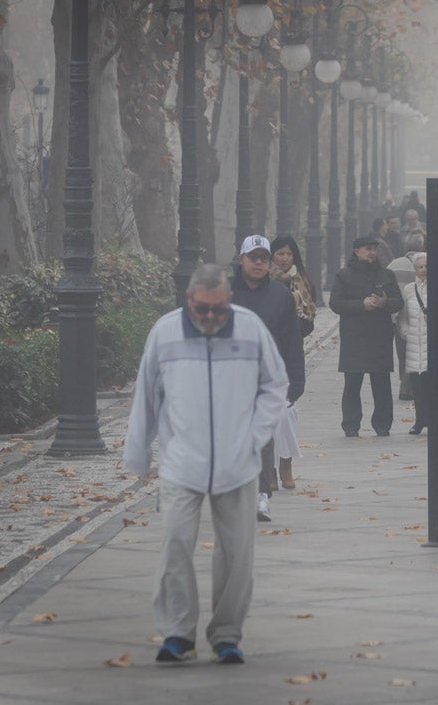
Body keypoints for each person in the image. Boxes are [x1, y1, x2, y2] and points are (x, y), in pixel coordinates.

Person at [124, 263, 288, 665]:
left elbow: (275, 385)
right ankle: (178, 633)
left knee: (237, 554)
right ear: (189, 301)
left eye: (219, 309)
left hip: (238, 464)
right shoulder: (165, 333)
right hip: (182, 462)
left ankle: (227, 634)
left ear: (229, 301)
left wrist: (254, 437)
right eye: (202, 309)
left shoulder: (250, 329)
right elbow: (146, 393)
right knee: (176, 546)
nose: (211, 317)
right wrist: (139, 453)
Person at [231, 235, 304, 522]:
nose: (259, 263)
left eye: (264, 258)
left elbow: (291, 341)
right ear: (242, 260)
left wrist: (295, 383)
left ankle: (261, 495)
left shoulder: (280, 294)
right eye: (254, 257)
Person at [329, 236, 403, 436]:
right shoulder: (344, 275)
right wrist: (361, 304)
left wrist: (383, 303)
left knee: (381, 383)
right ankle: (351, 425)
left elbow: (398, 302)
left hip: (380, 335)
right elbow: (335, 304)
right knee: (352, 383)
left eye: (374, 249)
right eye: (367, 248)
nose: (371, 252)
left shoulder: (386, 274)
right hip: (354, 336)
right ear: (357, 251)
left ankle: (383, 424)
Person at [268, 235, 316, 490]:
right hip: (265, 353)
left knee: (287, 411)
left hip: (290, 351)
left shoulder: (302, 280)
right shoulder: (264, 281)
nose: (285, 258)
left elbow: (310, 316)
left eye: (289, 254)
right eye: (280, 254)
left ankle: (285, 463)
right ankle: (269, 470)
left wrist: (294, 328)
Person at [387, 232, 427, 401]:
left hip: (398, 316)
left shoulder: (394, 264)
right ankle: (410, 387)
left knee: (403, 352)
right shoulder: (425, 263)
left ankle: (406, 386)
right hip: (419, 315)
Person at [397, 253, 429, 434]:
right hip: (414, 343)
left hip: (432, 343)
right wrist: (405, 332)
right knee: (417, 386)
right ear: (415, 270)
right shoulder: (408, 289)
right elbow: (402, 316)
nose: (423, 270)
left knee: (432, 384)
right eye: (420, 267)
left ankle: (434, 419)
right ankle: (420, 420)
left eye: (426, 267)